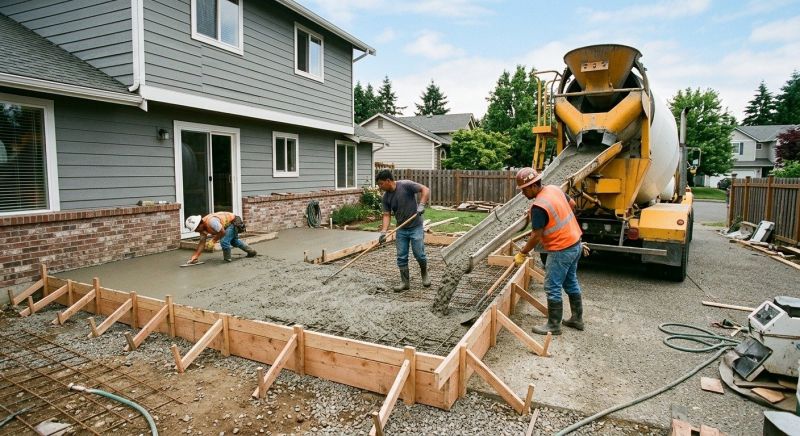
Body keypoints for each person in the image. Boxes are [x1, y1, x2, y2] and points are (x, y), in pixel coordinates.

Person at [513, 167, 585, 335]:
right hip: (575, 243)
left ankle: (554, 325)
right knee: (570, 281)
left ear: (532, 186)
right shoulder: (553, 189)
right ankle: (577, 319)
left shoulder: (539, 207)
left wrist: (522, 253)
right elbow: (572, 204)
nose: (523, 193)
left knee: (552, 286)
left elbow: (536, 236)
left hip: (561, 250)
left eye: (524, 190)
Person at [376, 169, 431, 292]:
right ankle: (405, 282)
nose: (380, 187)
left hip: (415, 226)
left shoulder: (405, 185)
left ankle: (424, 273)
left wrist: (421, 204)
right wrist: (383, 232)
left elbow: (425, 190)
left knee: (419, 254)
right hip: (401, 229)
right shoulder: (386, 197)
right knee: (401, 256)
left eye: (381, 184)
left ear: (388, 181)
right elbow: (386, 215)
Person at [185, 212, 256, 264]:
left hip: (234, 222)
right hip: (225, 226)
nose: (196, 231)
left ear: (199, 224)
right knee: (234, 242)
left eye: (196, 229)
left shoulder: (212, 222)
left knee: (224, 241)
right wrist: (195, 256)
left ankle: (227, 260)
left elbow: (222, 232)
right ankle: (251, 252)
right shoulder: (202, 229)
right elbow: (202, 243)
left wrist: (213, 240)